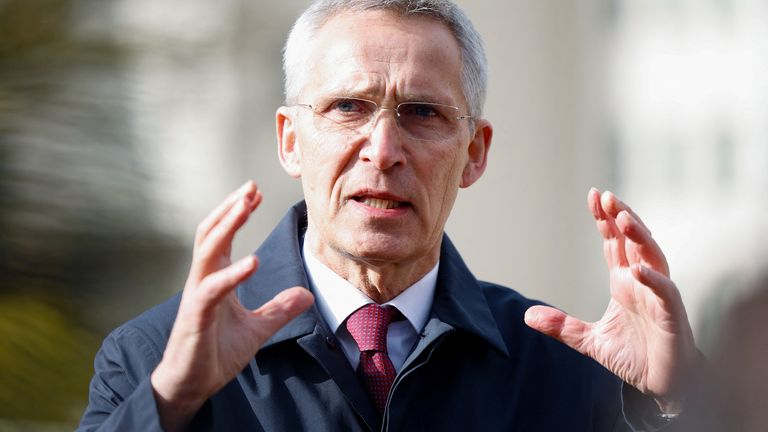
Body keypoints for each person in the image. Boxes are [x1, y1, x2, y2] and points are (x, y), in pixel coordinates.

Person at [78, 1, 700, 431]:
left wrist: (683, 398)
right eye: (349, 106)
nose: (382, 150)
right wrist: (172, 402)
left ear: (474, 153)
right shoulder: (157, 359)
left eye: (422, 113)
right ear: (291, 140)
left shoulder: (561, 369)